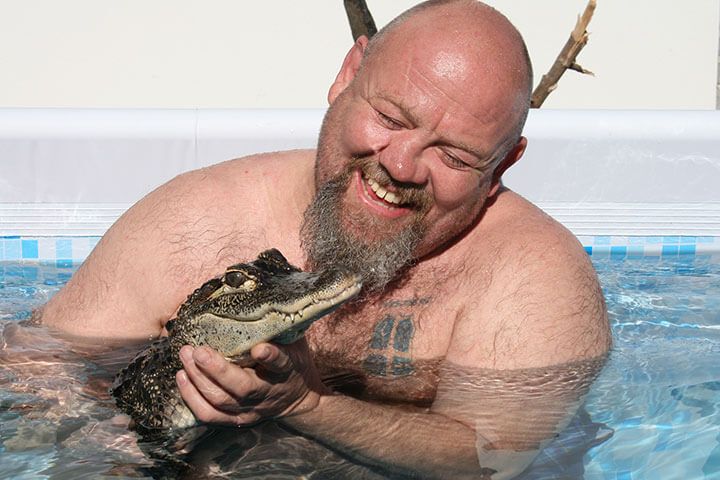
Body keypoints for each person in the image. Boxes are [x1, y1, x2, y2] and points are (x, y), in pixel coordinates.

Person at [39, 0, 611, 478]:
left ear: (504, 165)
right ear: (347, 74)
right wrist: (104, 447)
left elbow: (493, 461)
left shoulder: (534, 277)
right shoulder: (194, 216)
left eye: (454, 155)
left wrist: (308, 406)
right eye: (390, 119)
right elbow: (39, 374)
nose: (403, 165)